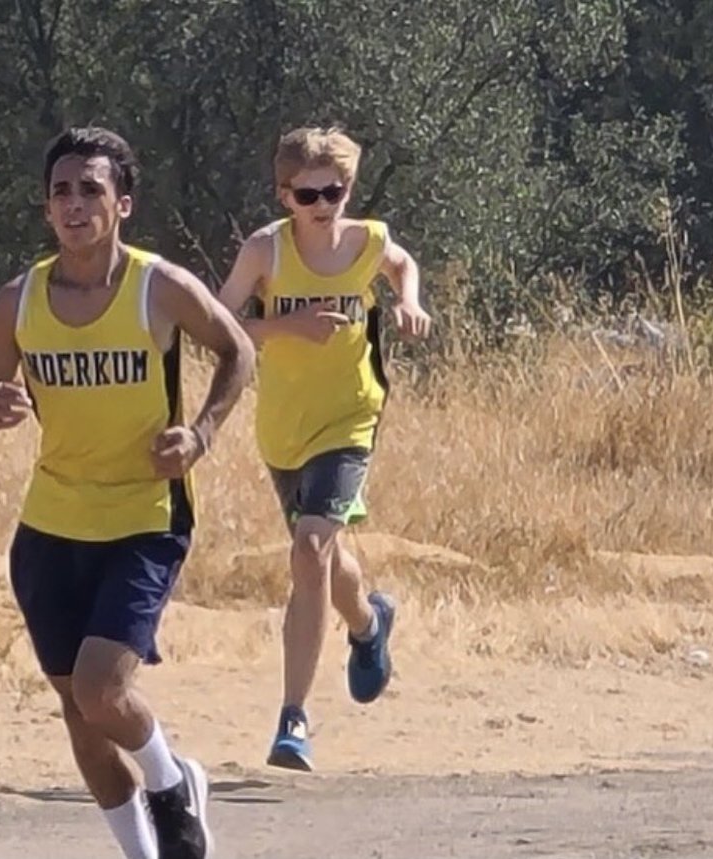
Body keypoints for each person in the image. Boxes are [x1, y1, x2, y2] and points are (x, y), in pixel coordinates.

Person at [0, 126, 255, 859]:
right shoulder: (17, 302)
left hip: (143, 518)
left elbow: (238, 351)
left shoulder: (161, 286)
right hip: (51, 526)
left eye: (91, 188)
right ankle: (141, 850)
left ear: (123, 203)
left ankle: (172, 780)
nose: (75, 203)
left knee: (101, 689)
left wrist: (202, 433)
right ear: (45, 208)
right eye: (61, 190)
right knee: (79, 713)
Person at [217, 125, 432, 772]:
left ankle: (293, 719)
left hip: (350, 414)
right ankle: (369, 624)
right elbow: (220, 325)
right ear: (285, 194)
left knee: (308, 547)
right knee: (324, 558)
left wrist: (409, 303)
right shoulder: (265, 252)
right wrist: (287, 326)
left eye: (334, 190)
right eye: (308, 193)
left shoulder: (367, 239)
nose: (322, 204)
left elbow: (401, 264)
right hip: (283, 426)